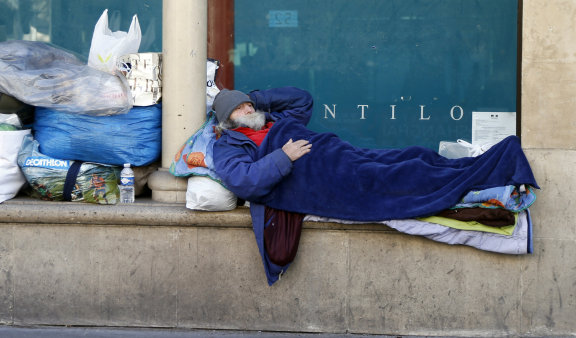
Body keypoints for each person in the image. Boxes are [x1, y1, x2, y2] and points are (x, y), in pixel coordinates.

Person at [211, 86, 538, 285]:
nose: (249, 109)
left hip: (338, 152)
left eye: (249, 104)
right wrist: (283, 155)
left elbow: (302, 99)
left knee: (415, 157)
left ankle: (497, 169)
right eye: (240, 108)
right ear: (228, 121)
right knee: (400, 177)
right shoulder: (228, 145)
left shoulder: (274, 120)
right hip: (321, 175)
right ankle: (491, 185)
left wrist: (253, 96)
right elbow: (245, 182)